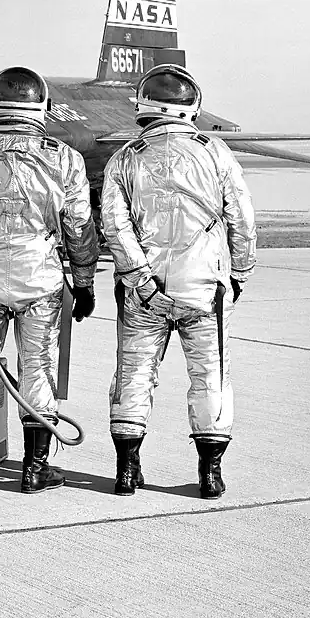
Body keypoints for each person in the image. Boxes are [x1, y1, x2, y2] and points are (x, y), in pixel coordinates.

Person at [0, 66, 99, 493]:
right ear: (44, 106)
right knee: (38, 368)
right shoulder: (64, 158)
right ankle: (34, 468)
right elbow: (79, 227)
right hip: (41, 279)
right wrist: (84, 282)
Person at [101, 64, 255, 500]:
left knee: (133, 374)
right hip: (205, 287)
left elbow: (114, 226)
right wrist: (239, 273)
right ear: (191, 107)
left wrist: (140, 280)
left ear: (144, 105)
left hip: (143, 293)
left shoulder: (125, 157)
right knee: (211, 377)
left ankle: (126, 471)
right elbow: (242, 218)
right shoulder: (216, 152)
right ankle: (211, 474)